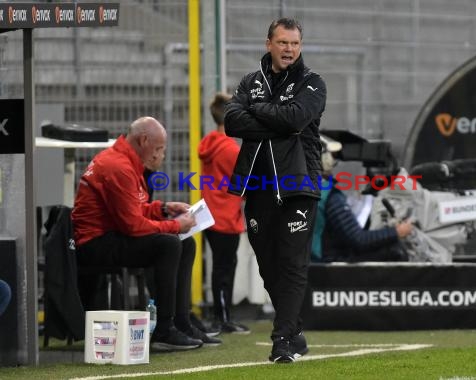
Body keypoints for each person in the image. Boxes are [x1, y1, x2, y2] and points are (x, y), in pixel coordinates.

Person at [224, 18, 326, 363]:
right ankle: (294, 330)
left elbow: (296, 119)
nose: (289, 50)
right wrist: (275, 118)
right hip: (258, 185)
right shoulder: (250, 82)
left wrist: (258, 111)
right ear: (269, 43)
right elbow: (231, 123)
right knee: (268, 265)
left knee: (292, 264)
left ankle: (281, 340)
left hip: (299, 184)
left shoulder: (313, 83)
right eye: (283, 43)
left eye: (295, 44)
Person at [72, 116, 221, 351]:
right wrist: (174, 225)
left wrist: (162, 209)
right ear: (143, 140)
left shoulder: (125, 162)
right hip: (95, 243)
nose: (160, 154)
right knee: (169, 244)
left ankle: (180, 322)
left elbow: (133, 209)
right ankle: (164, 329)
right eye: (159, 148)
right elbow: (132, 225)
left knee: (186, 243)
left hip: (109, 236)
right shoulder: (119, 167)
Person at [312, 137, 413, 262]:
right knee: (394, 251)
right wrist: (396, 232)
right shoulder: (328, 195)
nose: (333, 161)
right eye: (332, 156)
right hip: (326, 269)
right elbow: (359, 239)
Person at [198, 92, 250, 334]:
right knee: (225, 268)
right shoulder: (229, 149)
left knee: (222, 266)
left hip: (211, 214)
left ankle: (222, 316)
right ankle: (223, 318)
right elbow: (246, 184)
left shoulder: (210, 143)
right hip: (225, 216)